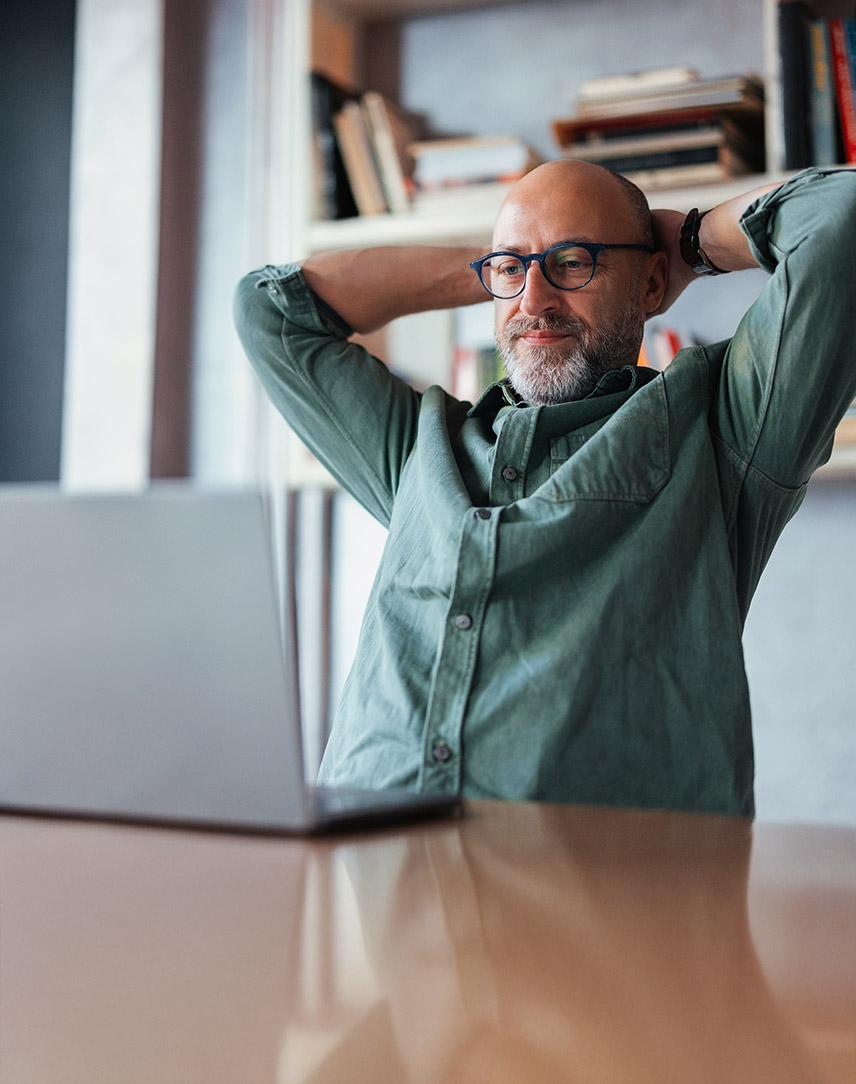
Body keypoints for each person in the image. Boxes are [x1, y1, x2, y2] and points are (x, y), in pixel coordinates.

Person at [234, 161, 856, 816]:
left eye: (572, 263)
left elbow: (839, 220)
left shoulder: (725, 431)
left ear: (649, 282)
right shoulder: (419, 447)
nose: (534, 303)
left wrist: (693, 243)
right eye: (513, 271)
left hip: (609, 899)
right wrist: (497, 266)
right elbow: (269, 312)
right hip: (364, 884)